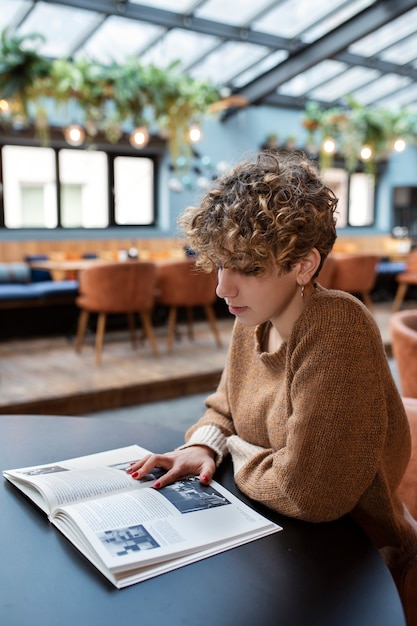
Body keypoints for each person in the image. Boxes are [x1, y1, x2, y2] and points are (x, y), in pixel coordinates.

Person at [127, 150, 417, 622]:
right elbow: (224, 409)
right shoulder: (254, 319)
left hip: (359, 563)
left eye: (248, 267)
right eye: (221, 263)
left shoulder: (337, 329)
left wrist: (232, 448)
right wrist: (204, 446)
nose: (223, 287)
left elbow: (311, 494)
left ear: (304, 265)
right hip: (273, 535)